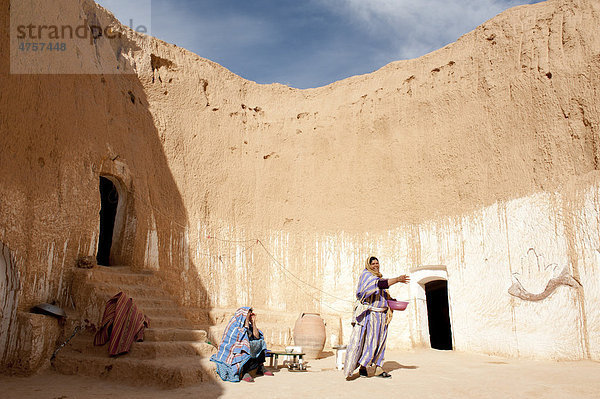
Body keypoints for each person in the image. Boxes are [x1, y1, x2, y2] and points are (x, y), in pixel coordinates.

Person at [344, 256, 410, 379]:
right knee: (371, 341)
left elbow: (381, 290)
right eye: (373, 263)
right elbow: (380, 285)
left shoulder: (377, 277)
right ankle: (370, 367)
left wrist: (391, 301)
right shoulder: (367, 276)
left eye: (377, 263)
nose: (375, 265)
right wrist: (398, 279)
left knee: (379, 342)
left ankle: (370, 368)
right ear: (369, 265)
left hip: (382, 316)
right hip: (372, 315)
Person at [210, 306, 274, 382]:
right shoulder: (234, 324)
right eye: (248, 314)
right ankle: (244, 372)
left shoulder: (249, 326)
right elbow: (240, 337)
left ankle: (260, 367)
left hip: (246, 347)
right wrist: (246, 320)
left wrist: (253, 322)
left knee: (260, 342)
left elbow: (256, 336)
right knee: (245, 346)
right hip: (232, 349)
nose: (249, 316)